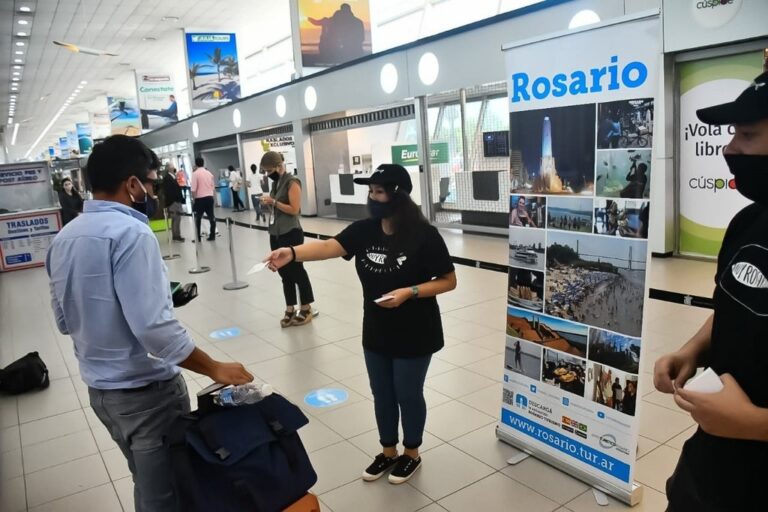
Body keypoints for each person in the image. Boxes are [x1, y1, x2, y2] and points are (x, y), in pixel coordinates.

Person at [46, 135, 253, 512]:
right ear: (132, 184)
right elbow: (154, 332)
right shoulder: (132, 233)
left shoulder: (63, 239)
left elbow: (64, 320)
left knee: (148, 485)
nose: (154, 190)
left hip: (102, 394)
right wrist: (214, 368)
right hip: (147, 396)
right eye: (153, 182)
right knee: (171, 495)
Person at [265, 163, 457, 484]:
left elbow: (448, 280)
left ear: (397, 194)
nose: (372, 197)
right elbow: (328, 247)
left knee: (407, 393)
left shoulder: (424, 235)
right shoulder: (366, 229)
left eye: (378, 191)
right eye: (370, 191)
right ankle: (388, 451)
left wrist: (410, 292)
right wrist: (292, 252)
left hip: (415, 330)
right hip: (377, 329)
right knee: (381, 392)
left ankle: (412, 454)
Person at [655, 71, 768, 511]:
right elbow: (733, 306)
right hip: (707, 471)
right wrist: (692, 350)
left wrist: (755, 424)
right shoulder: (748, 223)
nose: (730, 149)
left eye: (748, 134)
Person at [260, 151, 316, 327]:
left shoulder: (292, 182)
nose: (268, 174)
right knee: (283, 272)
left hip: (291, 233)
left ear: (279, 166)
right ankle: (290, 307)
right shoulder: (276, 183)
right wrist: (268, 203)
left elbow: (294, 209)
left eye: (270, 170)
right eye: (266, 172)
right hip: (276, 233)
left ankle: (306, 307)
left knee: (297, 270)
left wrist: (274, 202)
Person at [191, 156, 216, 241]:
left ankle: (198, 237)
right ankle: (212, 235)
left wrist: (194, 200)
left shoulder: (195, 174)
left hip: (200, 199)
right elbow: (213, 187)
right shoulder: (209, 173)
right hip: (209, 198)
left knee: (198, 219)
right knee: (211, 217)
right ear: (203, 163)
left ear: (196, 164)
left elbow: (193, 189)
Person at [162, 164, 185, 242]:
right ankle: (176, 236)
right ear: (169, 168)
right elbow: (169, 191)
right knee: (176, 218)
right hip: (173, 202)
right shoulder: (167, 178)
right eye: (172, 166)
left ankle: (176, 235)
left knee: (176, 219)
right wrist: (174, 201)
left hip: (176, 201)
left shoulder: (173, 176)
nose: (174, 167)